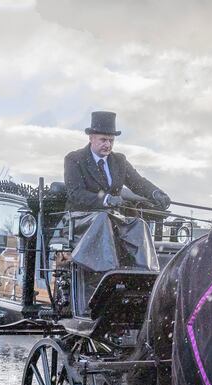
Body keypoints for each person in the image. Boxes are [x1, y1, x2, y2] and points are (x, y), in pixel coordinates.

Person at [63, 111, 172, 314]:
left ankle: (145, 277)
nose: (108, 145)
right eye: (104, 140)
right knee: (103, 219)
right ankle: (108, 277)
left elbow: (138, 183)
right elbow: (75, 194)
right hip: (80, 220)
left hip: (111, 219)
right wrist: (104, 199)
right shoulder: (74, 159)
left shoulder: (118, 161)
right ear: (91, 138)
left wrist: (157, 193)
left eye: (111, 140)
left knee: (138, 224)